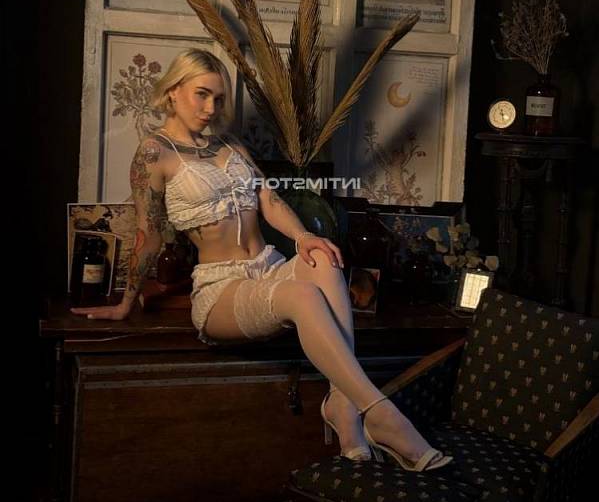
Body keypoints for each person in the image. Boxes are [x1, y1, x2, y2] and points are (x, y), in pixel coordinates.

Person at [72, 49, 451, 472]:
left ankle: (343, 407)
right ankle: (381, 415)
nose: (211, 108)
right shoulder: (153, 153)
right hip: (222, 289)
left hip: (268, 267)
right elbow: (149, 234)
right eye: (201, 94)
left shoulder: (230, 144)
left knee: (322, 258)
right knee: (304, 296)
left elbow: (268, 200)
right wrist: (125, 302)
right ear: (173, 91)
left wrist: (304, 237)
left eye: (218, 98)